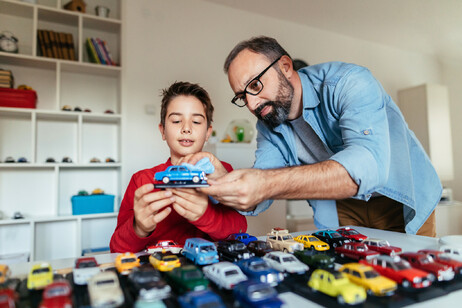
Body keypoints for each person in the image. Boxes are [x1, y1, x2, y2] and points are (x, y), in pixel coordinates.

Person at [184, 36, 441, 236]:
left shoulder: (349, 82)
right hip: (343, 206)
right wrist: (223, 182)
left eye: (255, 85)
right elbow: (262, 182)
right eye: (242, 97)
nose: (251, 104)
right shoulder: (268, 124)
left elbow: (368, 165)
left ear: (285, 66)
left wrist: (264, 183)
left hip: (399, 197)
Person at [110, 81, 247, 253]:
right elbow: (116, 249)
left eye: (196, 122)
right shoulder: (142, 180)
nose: (186, 128)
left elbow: (240, 231)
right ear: (162, 131)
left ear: (208, 133)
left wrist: (206, 215)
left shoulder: (222, 172)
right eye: (176, 120)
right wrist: (139, 228)